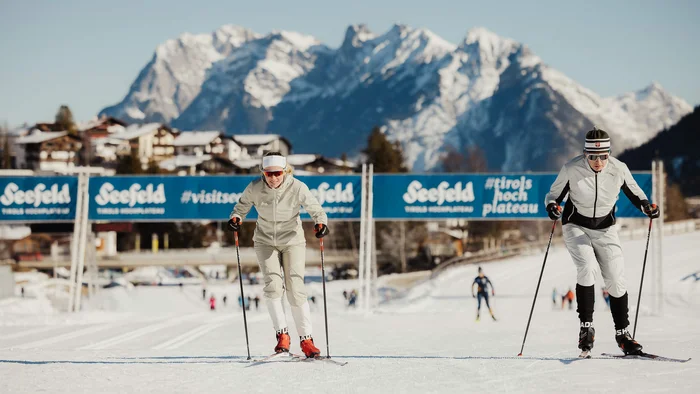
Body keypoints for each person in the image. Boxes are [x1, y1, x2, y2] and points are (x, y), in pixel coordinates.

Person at [545, 127, 660, 355]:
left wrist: (647, 205)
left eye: (603, 156)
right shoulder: (571, 169)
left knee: (616, 279)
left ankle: (623, 335)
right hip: (576, 225)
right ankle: (586, 328)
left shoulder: (619, 169)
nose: (598, 162)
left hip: (606, 228)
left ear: (609, 153)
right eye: (592, 157)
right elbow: (553, 195)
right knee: (587, 268)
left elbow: (636, 193)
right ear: (585, 154)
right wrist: (552, 207)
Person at [228, 151, 329, 358]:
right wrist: (236, 217)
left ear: (285, 171)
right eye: (268, 174)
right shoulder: (255, 187)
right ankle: (282, 335)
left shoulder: (297, 187)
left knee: (295, 286)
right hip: (265, 241)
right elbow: (241, 206)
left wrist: (321, 223)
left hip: (292, 240)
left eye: (277, 173)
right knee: (273, 286)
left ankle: (306, 339)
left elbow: (315, 209)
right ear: (263, 173)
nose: (273, 178)